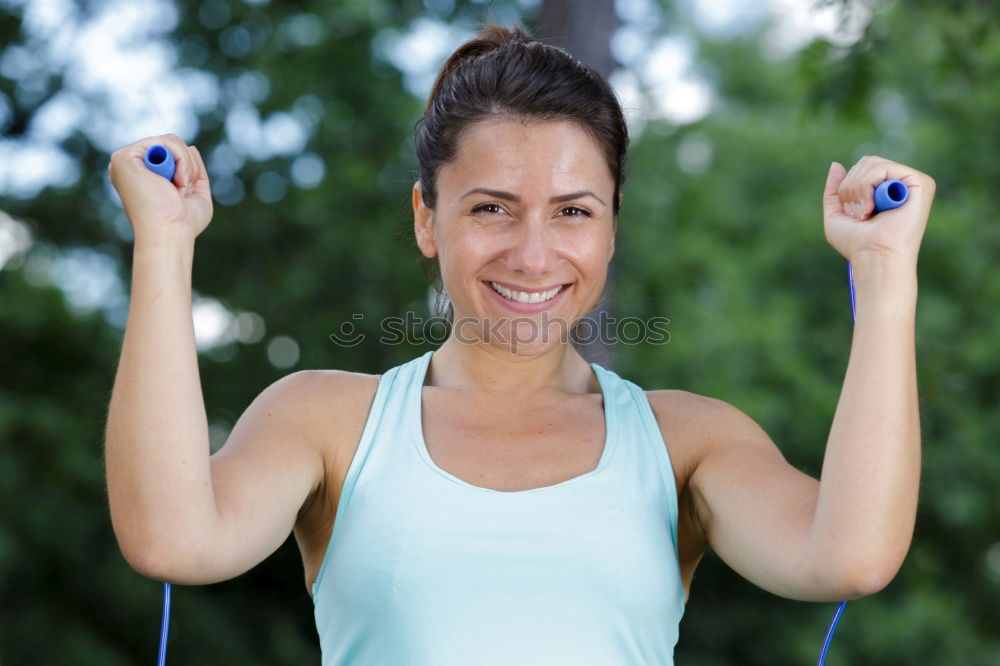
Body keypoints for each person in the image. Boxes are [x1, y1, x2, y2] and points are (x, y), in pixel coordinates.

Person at [104, 20, 935, 666]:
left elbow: (850, 557)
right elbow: (172, 539)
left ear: (612, 229)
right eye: (491, 207)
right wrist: (165, 242)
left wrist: (887, 273)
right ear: (427, 219)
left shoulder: (689, 442)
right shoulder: (326, 421)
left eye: (573, 211)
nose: (533, 254)